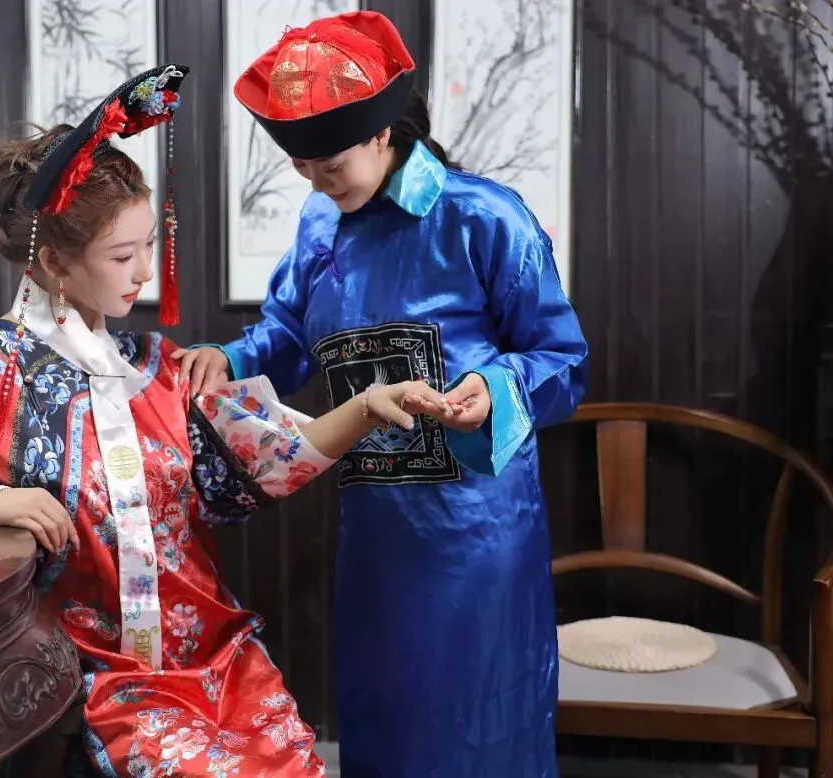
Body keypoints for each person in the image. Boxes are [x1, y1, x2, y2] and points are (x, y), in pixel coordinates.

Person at [0, 64, 447, 778]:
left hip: (209, 656)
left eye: (151, 245)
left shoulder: (157, 367)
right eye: (123, 255)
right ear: (53, 261)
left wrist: (365, 409)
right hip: (77, 667)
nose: (145, 271)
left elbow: (260, 463)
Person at [174, 12, 590, 778]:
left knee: (477, 727)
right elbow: (287, 333)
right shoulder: (320, 226)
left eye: (329, 161)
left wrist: (495, 387)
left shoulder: (482, 218)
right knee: (385, 721)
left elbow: (562, 360)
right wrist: (226, 357)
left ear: (381, 132)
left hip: (476, 536)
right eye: (301, 165)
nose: (316, 180)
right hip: (375, 536)